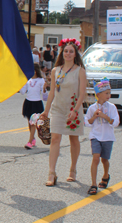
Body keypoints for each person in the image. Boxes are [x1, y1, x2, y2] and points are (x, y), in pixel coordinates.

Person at [40, 38, 86, 186]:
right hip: (58, 109)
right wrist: (46, 111)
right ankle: (51, 173)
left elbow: (82, 93)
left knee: (73, 140)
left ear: (75, 53)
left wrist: (75, 110)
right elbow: (52, 92)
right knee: (55, 139)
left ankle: (73, 170)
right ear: (62, 52)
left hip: (73, 109)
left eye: (71, 51)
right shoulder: (55, 70)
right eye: (66, 51)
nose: (68, 53)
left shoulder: (80, 71)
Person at [84, 78, 120, 195]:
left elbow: (116, 123)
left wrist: (105, 117)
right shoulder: (92, 108)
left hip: (108, 137)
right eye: (106, 93)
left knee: (105, 160)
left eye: (109, 93)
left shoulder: (112, 107)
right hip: (96, 136)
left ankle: (105, 175)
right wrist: (94, 116)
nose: (108, 95)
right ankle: (93, 184)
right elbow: (87, 123)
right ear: (98, 95)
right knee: (96, 158)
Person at [20, 63, 46, 149]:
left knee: (33, 123)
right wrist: (21, 84)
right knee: (29, 122)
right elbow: (23, 92)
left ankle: (29, 142)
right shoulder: (28, 80)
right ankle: (33, 138)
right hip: (28, 102)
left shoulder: (41, 80)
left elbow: (44, 96)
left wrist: (45, 89)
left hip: (36, 103)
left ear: (34, 71)